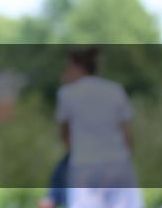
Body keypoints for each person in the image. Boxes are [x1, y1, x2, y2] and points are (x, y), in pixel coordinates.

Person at [54, 48, 143, 208]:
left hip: (84, 165)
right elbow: (127, 133)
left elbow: (65, 136)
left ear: (78, 66)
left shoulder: (67, 93)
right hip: (118, 162)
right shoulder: (115, 90)